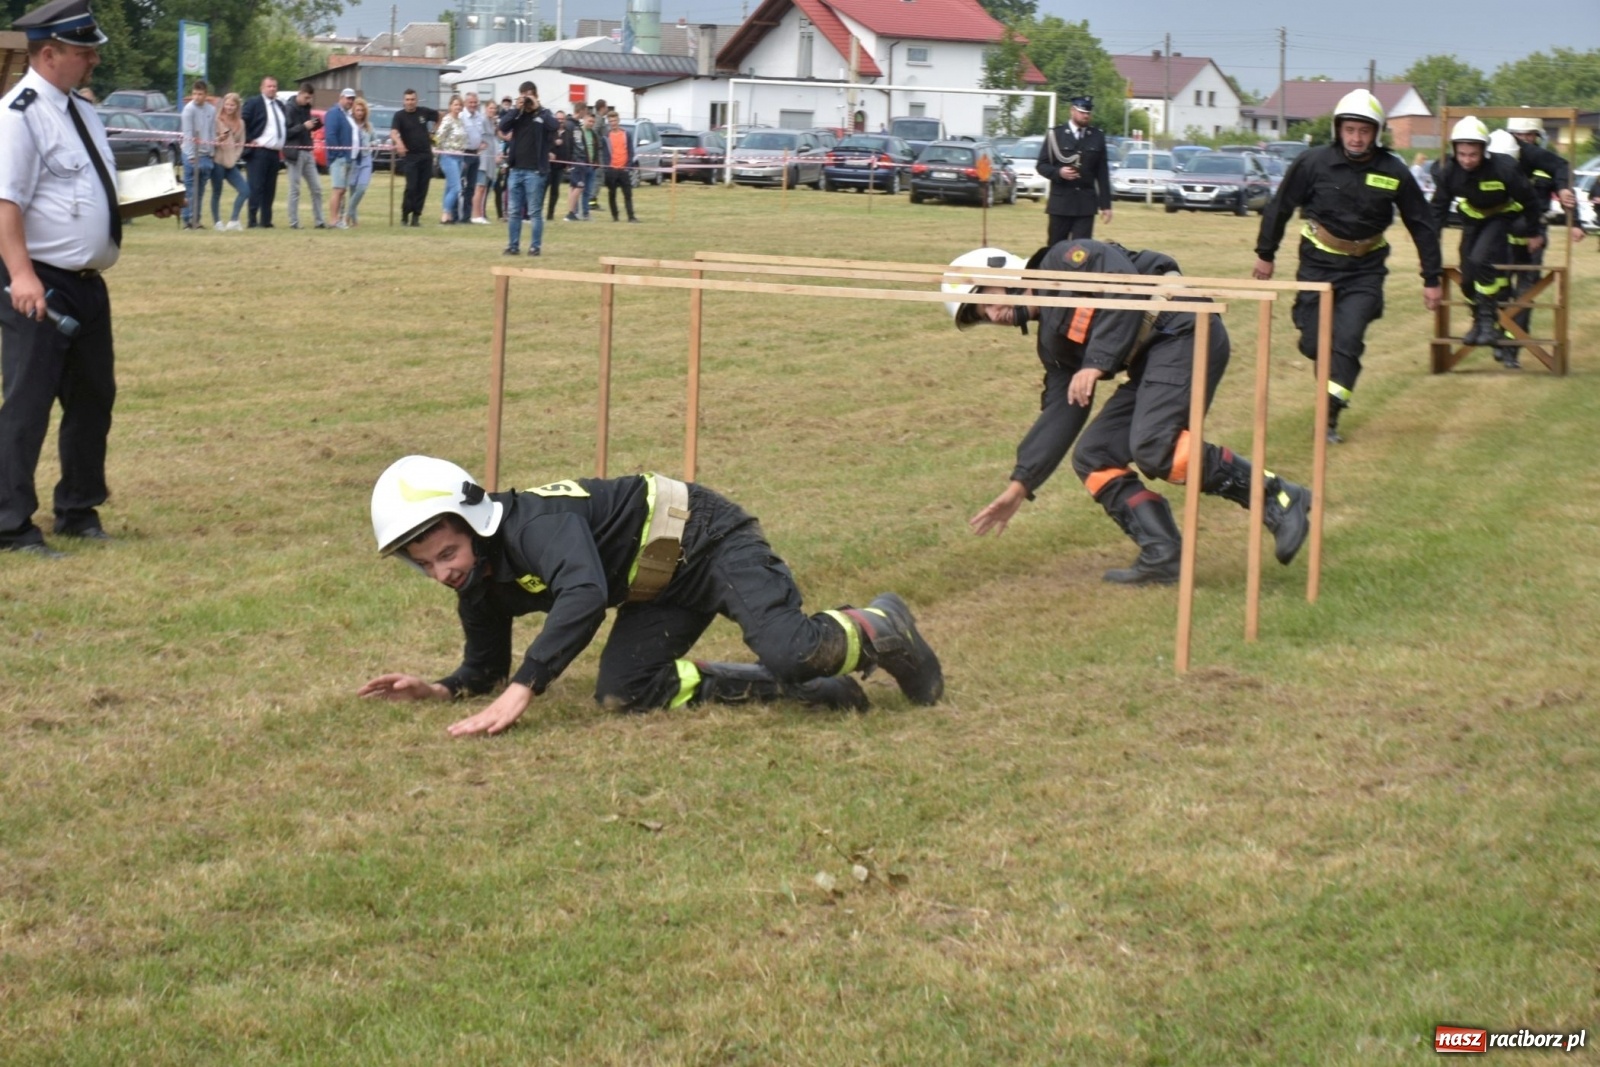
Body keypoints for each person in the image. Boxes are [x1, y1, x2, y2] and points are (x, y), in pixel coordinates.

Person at [358, 457, 944, 733]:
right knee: (623, 693)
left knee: (790, 644)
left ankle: (881, 624)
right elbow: (483, 668)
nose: (442, 574)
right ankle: (811, 688)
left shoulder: (533, 523)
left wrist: (525, 688)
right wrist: (437, 689)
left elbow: (584, 593)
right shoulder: (478, 583)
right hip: (657, 583)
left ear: (474, 524)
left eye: (447, 555)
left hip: (708, 538)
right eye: (425, 565)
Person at [947, 241, 1311, 585]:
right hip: (1152, 360)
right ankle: (1163, 553)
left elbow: (1124, 285)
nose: (993, 316)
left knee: (1154, 445)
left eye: (985, 300)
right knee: (1094, 455)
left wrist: (1095, 363)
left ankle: (1277, 496)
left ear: (1001, 275)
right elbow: (1062, 413)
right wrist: (1020, 485)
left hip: (1183, 328)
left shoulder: (1067, 258)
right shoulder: (1052, 345)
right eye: (982, 316)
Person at [0, 0, 170, 556]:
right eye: (82, 51)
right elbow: (6, 203)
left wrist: (145, 203)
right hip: (40, 283)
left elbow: (88, 190)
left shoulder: (81, 110)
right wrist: (21, 275)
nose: (93, 60)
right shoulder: (20, 114)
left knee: (94, 397)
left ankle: (78, 508)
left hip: (87, 283)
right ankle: (9, 523)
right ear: (48, 54)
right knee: (28, 402)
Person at [1253, 89, 1442, 443]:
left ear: (1376, 133)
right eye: (1350, 130)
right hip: (1317, 266)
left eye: (1364, 131)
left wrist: (1431, 277)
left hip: (1365, 271)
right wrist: (1266, 254)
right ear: (1339, 130)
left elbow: (1422, 223)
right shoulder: (1312, 163)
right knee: (1313, 344)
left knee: (1348, 340)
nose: (1357, 138)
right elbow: (1279, 207)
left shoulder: (1394, 170)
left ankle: (1329, 415)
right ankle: (1330, 386)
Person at [1430, 116, 1540, 357]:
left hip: (1502, 217)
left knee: (1481, 260)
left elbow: (1530, 201)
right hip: (1472, 219)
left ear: (1484, 150)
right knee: (1467, 274)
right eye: (1462, 154)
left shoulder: (1505, 168)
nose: (1467, 160)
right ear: (1454, 151)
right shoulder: (1449, 172)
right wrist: (1430, 243)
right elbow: (1437, 211)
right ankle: (1478, 321)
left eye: (1473, 154)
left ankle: (1489, 324)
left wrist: (1534, 232)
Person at [1501, 116, 1585, 358]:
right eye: (1520, 134)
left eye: (1530, 135)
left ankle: (1512, 348)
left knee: (1527, 291)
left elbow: (1565, 187)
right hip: (1503, 233)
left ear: (1538, 137)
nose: (1525, 139)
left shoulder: (1546, 164)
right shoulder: (1502, 159)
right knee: (1499, 286)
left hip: (1535, 235)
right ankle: (1500, 334)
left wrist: (1576, 221)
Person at [1036, 95, 1111, 244]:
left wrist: (1105, 205)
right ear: (1072, 111)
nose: (1085, 116)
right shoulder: (1056, 135)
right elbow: (1041, 165)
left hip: (1085, 205)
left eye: (1088, 113)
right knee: (1055, 249)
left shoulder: (1097, 136)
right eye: (1082, 112)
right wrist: (1058, 173)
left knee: (1081, 252)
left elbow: (1102, 173)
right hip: (1061, 203)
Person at [498, 80, 557, 256]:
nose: (528, 101)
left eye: (530, 96)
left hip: (535, 171)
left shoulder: (543, 114)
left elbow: (554, 126)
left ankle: (535, 246)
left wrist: (538, 108)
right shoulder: (517, 115)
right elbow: (502, 126)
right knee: (514, 211)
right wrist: (517, 108)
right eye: (524, 96)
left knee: (534, 211)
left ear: (536, 96)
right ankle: (513, 245)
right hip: (516, 169)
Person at [390, 88, 439, 227]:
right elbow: (393, 132)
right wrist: (399, 143)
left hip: (426, 155)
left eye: (412, 99)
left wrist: (433, 132)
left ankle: (416, 217)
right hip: (410, 156)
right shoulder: (399, 116)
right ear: (403, 101)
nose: (410, 102)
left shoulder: (423, 112)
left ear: (416, 100)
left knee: (422, 188)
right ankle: (405, 216)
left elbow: (439, 116)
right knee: (411, 187)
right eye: (407, 100)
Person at [240, 76, 286, 228]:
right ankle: (252, 220)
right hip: (258, 152)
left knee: (269, 188)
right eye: (269, 86)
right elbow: (242, 122)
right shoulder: (254, 103)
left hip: (274, 153)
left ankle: (266, 221)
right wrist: (249, 139)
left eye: (274, 86)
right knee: (256, 187)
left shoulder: (279, 105)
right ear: (262, 88)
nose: (272, 89)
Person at [281, 81, 325, 229]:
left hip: (308, 151)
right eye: (306, 97)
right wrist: (303, 126)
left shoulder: (306, 108)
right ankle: (294, 222)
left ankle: (319, 221)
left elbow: (307, 127)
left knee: (317, 188)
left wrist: (315, 124)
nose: (308, 101)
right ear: (299, 93)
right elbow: (287, 132)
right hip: (294, 153)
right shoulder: (289, 108)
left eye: (310, 98)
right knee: (295, 189)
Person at [178, 80, 215, 230]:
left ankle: (196, 219)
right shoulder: (188, 110)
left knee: (200, 190)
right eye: (195, 94)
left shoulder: (211, 110)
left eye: (200, 94)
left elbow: (212, 131)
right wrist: (191, 155)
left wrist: (212, 152)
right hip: (190, 153)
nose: (197, 97)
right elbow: (188, 133)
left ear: (206, 95)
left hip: (206, 154)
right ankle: (187, 219)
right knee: (190, 189)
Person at [211, 92, 249, 230]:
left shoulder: (241, 123)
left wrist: (235, 156)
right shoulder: (217, 120)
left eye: (232, 105)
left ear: (237, 106)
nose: (229, 107)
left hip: (231, 163)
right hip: (218, 162)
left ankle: (233, 220)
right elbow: (209, 141)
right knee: (217, 192)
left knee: (245, 190)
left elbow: (241, 143)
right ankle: (217, 222)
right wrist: (217, 140)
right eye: (227, 104)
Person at [323, 87, 357, 228]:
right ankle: (333, 220)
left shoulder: (347, 114)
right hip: (339, 158)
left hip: (349, 158)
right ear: (341, 97)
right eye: (348, 98)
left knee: (342, 190)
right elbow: (330, 135)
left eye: (352, 99)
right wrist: (339, 154)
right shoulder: (333, 113)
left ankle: (340, 219)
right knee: (338, 189)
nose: (350, 101)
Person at [343, 97, 377, 226]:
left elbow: (376, 140)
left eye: (362, 110)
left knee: (361, 189)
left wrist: (372, 144)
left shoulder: (369, 126)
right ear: (353, 111)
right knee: (352, 190)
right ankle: (354, 221)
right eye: (357, 110)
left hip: (366, 159)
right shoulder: (349, 124)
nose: (360, 113)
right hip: (353, 160)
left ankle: (348, 215)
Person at [434, 95, 467, 225]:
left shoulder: (460, 121)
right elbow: (439, 137)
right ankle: (445, 214)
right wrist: (437, 150)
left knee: (449, 187)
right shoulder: (447, 120)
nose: (457, 107)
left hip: (459, 157)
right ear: (450, 106)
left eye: (459, 105)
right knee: (456, 188)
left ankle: (448, 215)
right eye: (455, 104)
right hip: (448, 156)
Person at [566, 108, 603, 222]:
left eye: (593, 122)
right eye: (589, 121)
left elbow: (596, 149)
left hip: (591, 166)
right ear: (584, 119)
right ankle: (574, 212)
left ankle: (586, 213)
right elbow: (577, 148)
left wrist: (596, 161)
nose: (591, 123)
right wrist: (577, 162)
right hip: (580, 164)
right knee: (577, 188)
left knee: (587, 191)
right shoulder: (578, 131)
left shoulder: (593, 134)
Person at [602, 110, 640, 223]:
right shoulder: (606, 136)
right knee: (612, 194)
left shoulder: (626, 134)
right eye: (610, 121)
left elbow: (630, 151)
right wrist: (607, 167)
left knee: (628, 194)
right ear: (608, 122)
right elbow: (604, 153)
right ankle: (615, 216)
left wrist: (628, 166)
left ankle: (631, 216)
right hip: (612, 169)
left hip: (624, 169)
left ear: (618, 121)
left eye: (614, 120)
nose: (613, 123)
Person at [458, 92, 487, 223]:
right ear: (465, 103)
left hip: (476, 154)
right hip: (464, 154)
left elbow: (480, 134)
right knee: (459, 187)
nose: (473, 105)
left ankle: (466, 216)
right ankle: (454, 214)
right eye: (470, 102)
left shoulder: (479, 117)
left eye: (475, 102)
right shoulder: (461, 116)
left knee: (471, 187)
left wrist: (482, 143)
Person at [471, 100, 498, 223]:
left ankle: (481, 213)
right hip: (483, 158)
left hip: (490, 157)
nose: (492, 110)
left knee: (485, 187)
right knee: (480, 187)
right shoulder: (482, 120)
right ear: (486, 108)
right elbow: (478, 135)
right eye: (490, 108)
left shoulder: (492, 122)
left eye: (494, 108)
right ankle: (476, 215)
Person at [546, 109, 571, 221]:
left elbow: (570, 148)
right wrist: (551, 149)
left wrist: (568, 163)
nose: (560, 121)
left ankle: (550, 214)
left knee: (555, 191)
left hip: (560, 167)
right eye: (558, 119)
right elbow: (543, 145)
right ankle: (536, 214)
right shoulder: (549, 132)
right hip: (547, 166)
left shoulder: (568, 133)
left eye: (562, 119)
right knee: (543, 189)